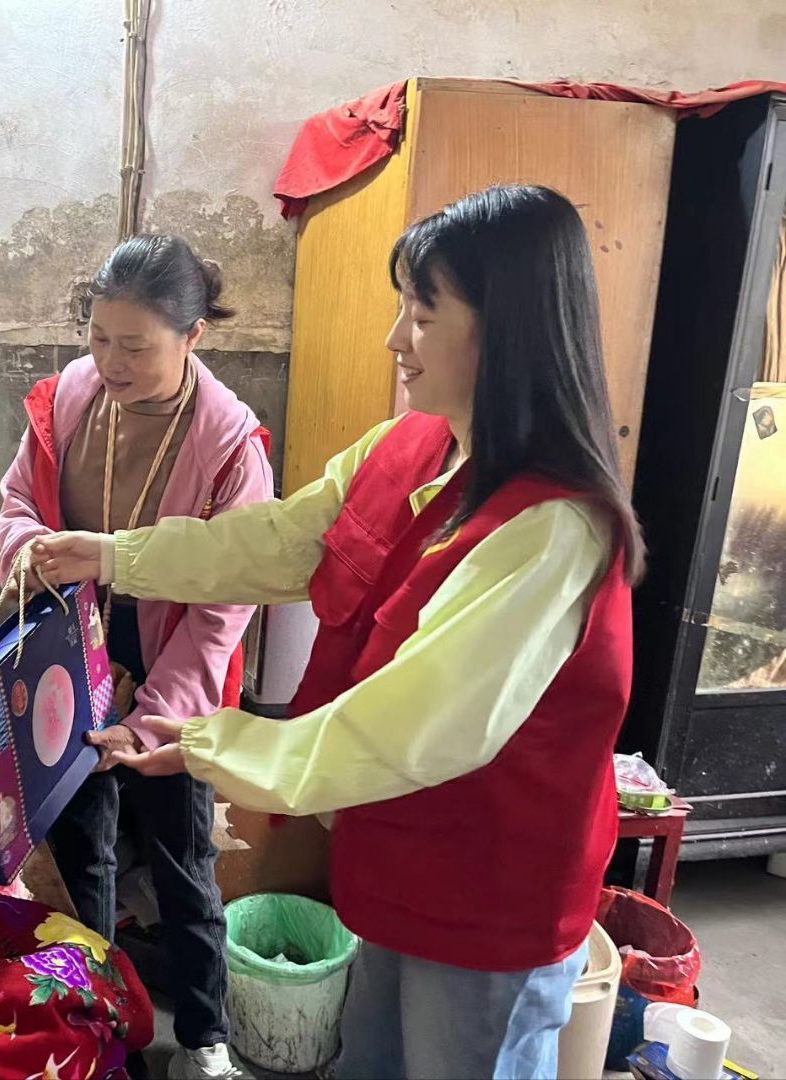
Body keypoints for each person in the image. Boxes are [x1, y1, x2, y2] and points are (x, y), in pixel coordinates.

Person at [32, 185, 643, 1080]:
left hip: (489, 899)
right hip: (390, 862)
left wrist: (203, 743)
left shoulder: (552, 527)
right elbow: (282, 540)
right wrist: (114, 555)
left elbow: (408, 727)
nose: (396, 340)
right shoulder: (411, 446)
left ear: (508, 334)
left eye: (423, 316)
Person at [0, 234, 273, 1080]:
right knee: (84, 851)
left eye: (136, 347)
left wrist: (151, 722)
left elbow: (221, 610)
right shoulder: (72, 399)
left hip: (175, 666)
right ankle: (95, 1027)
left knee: (183, 858)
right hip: (67, 651)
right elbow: (17, 500)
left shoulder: (230, 445)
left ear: (194, 336)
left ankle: (205, 1036)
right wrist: (28, 548)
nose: (110, 363)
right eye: (98, 337)